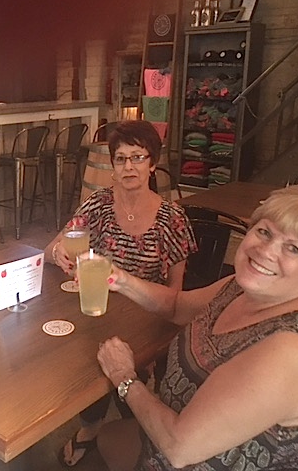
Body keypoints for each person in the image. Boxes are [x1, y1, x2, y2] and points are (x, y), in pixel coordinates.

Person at [96, 181, 298, 470]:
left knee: (107, 437)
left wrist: (124, 376)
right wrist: (120, 279)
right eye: (264, 231)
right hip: (179, 437)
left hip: (182, 447)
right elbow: (177, 307)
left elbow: (179, 447)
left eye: (293, 249)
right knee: (108, 438)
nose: (266, 251)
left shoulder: (291, 351)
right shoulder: (241, 288)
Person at [44, 120, 197, 466]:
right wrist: (58, 254)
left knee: (116, 357)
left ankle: (133, 425)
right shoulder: (97, 205)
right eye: (120, 158)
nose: (129, 166)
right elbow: (52, 247)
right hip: (97, 309)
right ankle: (93, 425)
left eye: (138, 157)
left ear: (152, 163)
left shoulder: (171, 217)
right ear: (112, 166)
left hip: (147, 317)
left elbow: (176, 294)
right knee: (79, 349)